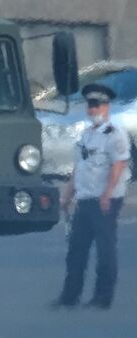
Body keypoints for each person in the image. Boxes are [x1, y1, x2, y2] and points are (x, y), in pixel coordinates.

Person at [53, 82, 130, 310]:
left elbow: (118, 165)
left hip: (105, 200)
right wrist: (67, 196)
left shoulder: (114, 135)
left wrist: (107, 194)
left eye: (96, 105)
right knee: (76, 250)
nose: (92, 109)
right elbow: (79, 168)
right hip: (85, 200)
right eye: (90, 105)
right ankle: (70, 296)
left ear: (106, 107)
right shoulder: (86, 135)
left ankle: (102, 297)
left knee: (105, 250)